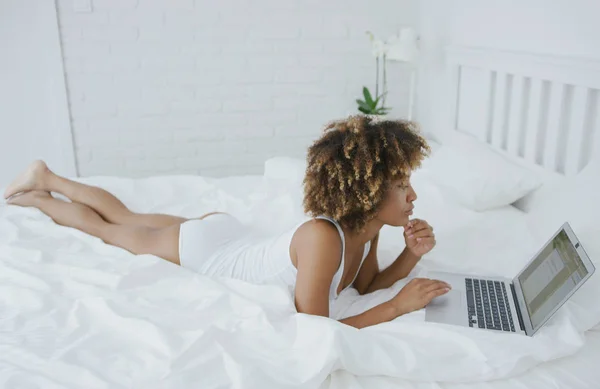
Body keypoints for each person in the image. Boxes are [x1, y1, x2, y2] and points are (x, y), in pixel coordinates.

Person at [3, 114, 451, 329]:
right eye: (400, 185)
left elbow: (361, 287)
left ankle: (48, 176)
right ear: (368, 192)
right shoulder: (324, 237)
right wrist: (396, 307)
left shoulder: (368, 230)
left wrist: (410, 256)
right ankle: (41, 194)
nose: (412, 196)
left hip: (232, 235)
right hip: (206, 250)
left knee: (128, 215)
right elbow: (313, 328)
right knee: (109, 227)